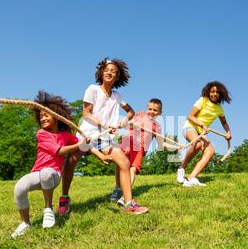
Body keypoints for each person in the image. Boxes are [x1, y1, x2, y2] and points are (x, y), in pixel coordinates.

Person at [11, 91, 106, 239]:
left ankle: (48, 209)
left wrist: (99, 154)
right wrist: (79, 144)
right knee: (19, 188)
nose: (43, 118)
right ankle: (25, 223)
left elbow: (85, 146)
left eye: (46, 114)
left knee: (47, 173)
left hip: (53, 175)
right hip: (37, 173)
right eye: (40, 116)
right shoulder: (41, 134)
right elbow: (59, 151)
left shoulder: (66, 135)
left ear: (56, 115)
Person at [61, 58, 148, 215]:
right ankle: (64, 198)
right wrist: (104, 125)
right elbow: (86, 114)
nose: (110, 73)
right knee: (71, 161)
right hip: (87, 134)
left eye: (114, 72)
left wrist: (123, 122)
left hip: (105, 139)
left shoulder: (117, 96)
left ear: (117, 77)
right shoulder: (92, 89)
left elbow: (131, 112)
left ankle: (128, 203)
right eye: (107, 70)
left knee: (124, 162)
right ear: (101, 72)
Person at [110, 98, 179, 202]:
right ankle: (118, 188)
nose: (152, 112)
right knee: (120, 164)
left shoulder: (157, 127)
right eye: (150, 109)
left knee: (133, 169)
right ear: (147, 108)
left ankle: (125, 195)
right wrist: (132, 124)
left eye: (155, 110)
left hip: (139, 149)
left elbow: (161, 144)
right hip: (127, 142)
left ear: (160, 113)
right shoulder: (140, 115)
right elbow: (128, 125)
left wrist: (177, 147)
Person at [177, 81, 232, 187]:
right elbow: (190, 116)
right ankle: (181, 168)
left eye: (217, 92)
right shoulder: (203, 100)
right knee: (197, 144)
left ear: (221, 94)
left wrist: (228, 133)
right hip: (190, 127)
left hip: (201, 132)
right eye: (212, 92)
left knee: (210, 151)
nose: (214, 94)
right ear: (208, 92)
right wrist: (202, 125)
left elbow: (224, 122)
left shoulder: (219, 108)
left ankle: (191, 178)